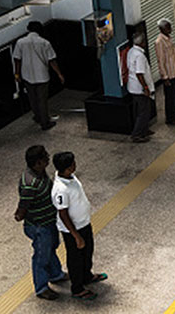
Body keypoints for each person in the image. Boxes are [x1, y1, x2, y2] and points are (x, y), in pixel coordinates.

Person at [51, 151, 107, 301]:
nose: (76, 164)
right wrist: (76, 236)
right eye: (73, 163)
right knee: (75, 259)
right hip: (73, 230)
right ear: (68, 168)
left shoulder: (70, 177)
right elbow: (63, 214)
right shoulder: (60, 189)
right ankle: (77, 288)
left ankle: (87, 276)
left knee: (87, 252)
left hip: (84, 224)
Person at [15, 145, 67, 301]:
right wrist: (19, 215)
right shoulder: (30, 183)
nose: (48, 157)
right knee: (41, 256)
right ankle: (41, 287)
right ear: (37, 162)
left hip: (48, 221)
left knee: (51, 247)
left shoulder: (40, 172)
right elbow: (23, 206)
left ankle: (56, 274)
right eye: (45, 156)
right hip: (38, 226)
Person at [13, 21, 64, 131]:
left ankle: (37, 117)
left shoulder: (20, 42)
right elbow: (52, 60)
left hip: (27, 75)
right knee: (42, 100)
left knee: (32, 98)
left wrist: (17, 74)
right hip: (42, 75)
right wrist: (59, 74)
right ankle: (45, 123)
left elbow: (17, 59)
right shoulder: (45, 43)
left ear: (28, 29)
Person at [127, 32, 155, 142]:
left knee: (139, 111)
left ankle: (143, 129)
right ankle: (137, 134)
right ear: (142, 43)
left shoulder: (131, 51)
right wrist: (146, 87)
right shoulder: (140, 56)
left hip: (132, 87)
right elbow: (139, 73)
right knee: (144, 111)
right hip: (139, 89)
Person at [155, 19, 175, 126]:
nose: (170, 29)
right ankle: (170, 118)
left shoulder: (168, 38)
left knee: (174, 94)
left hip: (174, 72)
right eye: (168, 27)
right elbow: (160, 60)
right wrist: (164, 76)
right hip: (168, 75)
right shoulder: (159, 42)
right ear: (162, 29)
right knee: (169, 97)